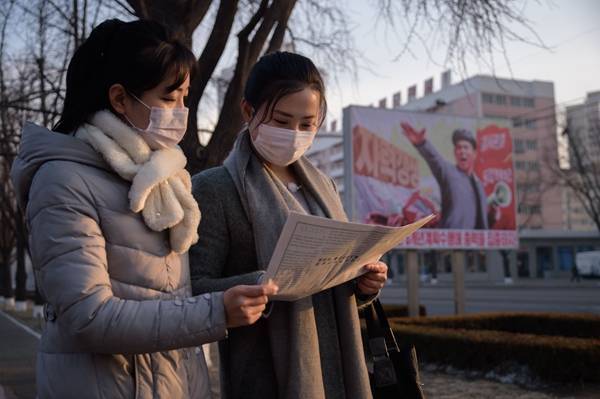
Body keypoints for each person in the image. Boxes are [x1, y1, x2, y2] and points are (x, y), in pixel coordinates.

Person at [10, 19, 277, 399]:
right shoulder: (63, 180)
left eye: (185, 97)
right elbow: (88, 316)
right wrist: (214, 312)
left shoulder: (164, 176)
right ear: (120, 99)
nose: (181, 111)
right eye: (170, 98)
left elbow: (171, 296)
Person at [189, 51, 388, 399]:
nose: (294, 134)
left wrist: (364, 286)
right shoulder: (214, 188)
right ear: (249, 111)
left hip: (340, 370)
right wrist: (262, 283)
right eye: (281, 121)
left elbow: (334, 282)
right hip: (264, 375)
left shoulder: (323, 186)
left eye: (307, 124)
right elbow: (193, 287)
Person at [401, 122, 490, 229]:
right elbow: (435, 159)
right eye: (458, 148)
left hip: (477, 242)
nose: (462, 151)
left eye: (466, 147)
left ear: (474, 153)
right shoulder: (449, 172)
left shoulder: (478, 184)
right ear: (454, 152)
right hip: (451, 239)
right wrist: (421, 143)